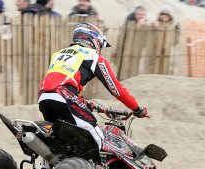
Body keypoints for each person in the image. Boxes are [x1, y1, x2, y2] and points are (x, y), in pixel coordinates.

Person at [38, 23, 148, 151]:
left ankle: (47, 167)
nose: (100, 49)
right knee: (95, 135)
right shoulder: (93, 56)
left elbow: (59, 82)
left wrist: (86, 103)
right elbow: (116, 89)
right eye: (100, 45)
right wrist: (136, 108)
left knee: (56, 138)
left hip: (44, 97)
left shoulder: (57, 54)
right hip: (64, 96)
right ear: (94, 40)